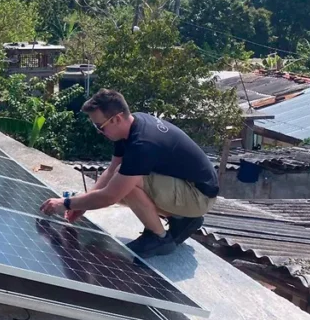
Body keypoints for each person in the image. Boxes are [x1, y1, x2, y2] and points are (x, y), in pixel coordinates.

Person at [40, 89, 218, 258]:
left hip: (198, 196)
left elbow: (110, 196)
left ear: (116, 118)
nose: (99, 132)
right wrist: (82, 204)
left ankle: (160, 239)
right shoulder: (130, 126)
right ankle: (180, 218)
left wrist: (67, 203)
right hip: (186, 187)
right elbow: (111, 170)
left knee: (127, 185)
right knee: (120, 179)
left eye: (99, 126)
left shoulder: (142, 144)